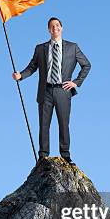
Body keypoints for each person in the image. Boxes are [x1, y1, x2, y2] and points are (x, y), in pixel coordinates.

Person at [12, 17, 91, 165]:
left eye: (57, 25)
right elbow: (32, 67)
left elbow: (86, 65)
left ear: (62, 28)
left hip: (63, 91)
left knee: (63, 124)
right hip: (45, 91)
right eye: (52, 26)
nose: (55, 28)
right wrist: (20, 75)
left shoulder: (73, 47)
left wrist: (75, 82)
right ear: (48, 30)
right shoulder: (40, 48)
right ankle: (43, 156)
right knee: (44, 124)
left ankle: (66, 155)